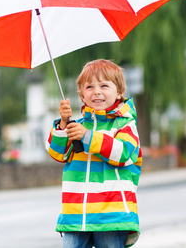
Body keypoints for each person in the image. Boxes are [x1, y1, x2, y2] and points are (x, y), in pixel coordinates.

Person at [46, 59, 142, 248]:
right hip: (76, 214)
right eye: (89, 87)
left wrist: (88, 137)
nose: (96, 91)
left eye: (104, 85)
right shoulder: (78, 125)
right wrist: (64, 124)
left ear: (119, 93)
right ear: (82, 96)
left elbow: (123, 153)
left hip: (111, 215)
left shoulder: (124, 124)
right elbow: (58, 154)